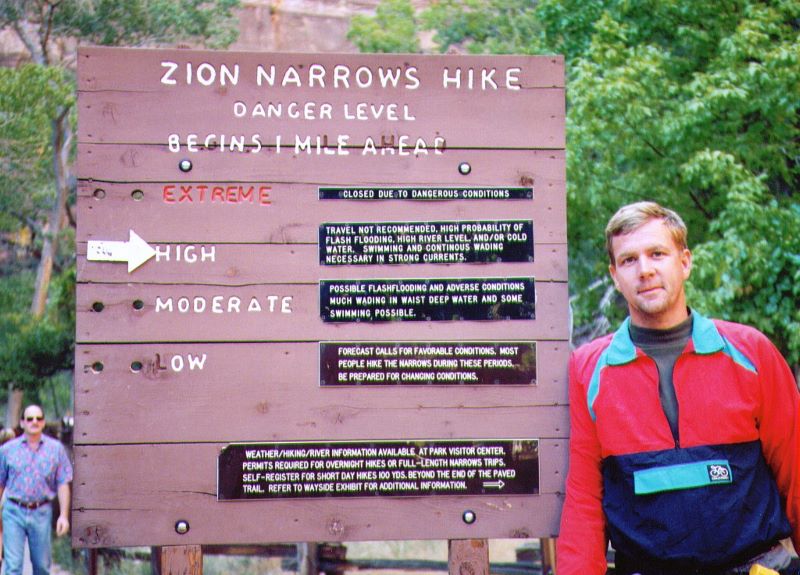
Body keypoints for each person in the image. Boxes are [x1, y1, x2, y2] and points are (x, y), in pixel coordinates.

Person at [557, 202, 799, 575]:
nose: (646, 270)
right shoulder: (589, 370)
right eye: (629, 260)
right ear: (614, 276)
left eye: (657, 254)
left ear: (684, 262)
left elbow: (796, 474)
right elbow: (584, 502)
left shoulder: (751, 353)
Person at [0, 405, 73, 575]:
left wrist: (63, 515)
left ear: (43, 422)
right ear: (22, 422)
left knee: (41, 566)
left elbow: (63, 483)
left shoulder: (56, 450)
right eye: (30, 419)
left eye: (38, 418)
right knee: (13, 566)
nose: (34, 422)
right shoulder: (7, 450)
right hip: (13, 511)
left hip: (41, 511)